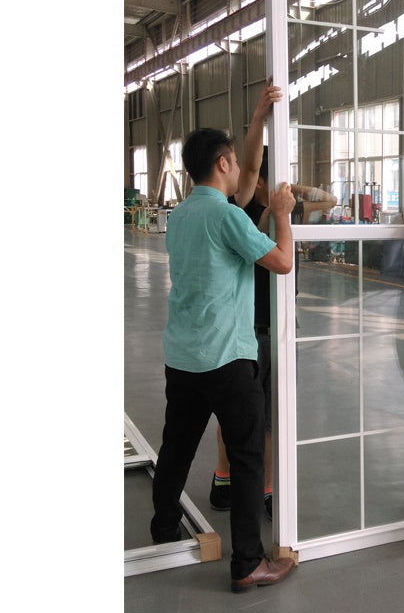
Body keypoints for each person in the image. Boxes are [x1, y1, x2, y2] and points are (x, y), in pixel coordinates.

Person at [149, 119, 298, 594]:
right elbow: (282, 262)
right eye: (235, 161)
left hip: (183, 355)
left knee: (177, 445)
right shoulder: (227, 216)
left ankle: (164, 527)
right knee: (248, 457)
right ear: (222, 163)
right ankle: (248, 564)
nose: (239, 169)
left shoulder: (180, 215)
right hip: (226, 357)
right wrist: (283, 215)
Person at [211, 137, 337, 518]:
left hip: (279, 323)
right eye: (276, 178)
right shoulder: (241, 211)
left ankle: (253, 485)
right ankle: (233, 481)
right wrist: (277, 205)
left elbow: (330, 200)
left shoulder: (282, 209)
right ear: (261, 181)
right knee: (248, 415)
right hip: (252, 326)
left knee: (266, 415)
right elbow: (265, 225)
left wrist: (292, 188)